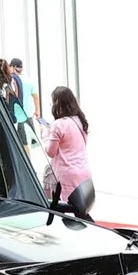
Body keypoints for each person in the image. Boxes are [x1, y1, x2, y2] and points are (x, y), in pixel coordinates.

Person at [42, 86, 94, 218]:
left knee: (62, 213)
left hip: (67, 176)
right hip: (83, 173)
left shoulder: (59, 124)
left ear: (57, 104)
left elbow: (50, 152)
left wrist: (45, 134)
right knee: (80, 213)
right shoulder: (80, 120)